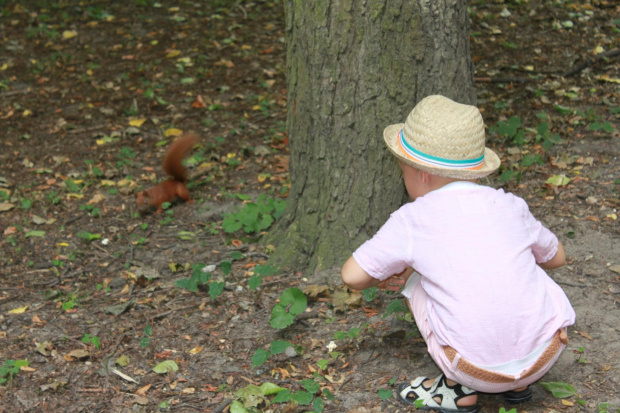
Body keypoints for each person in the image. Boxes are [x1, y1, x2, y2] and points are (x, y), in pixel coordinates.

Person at [341, 95, 575, 412]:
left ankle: (456, 390)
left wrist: (402, 269)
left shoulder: (412, 220)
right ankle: (518, 385)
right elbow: (557, 257)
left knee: (420, 280)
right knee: (528, 272)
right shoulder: (511, 206)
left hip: (473, 369)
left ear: (421, 173)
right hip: (546, 354)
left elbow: (352, 277)